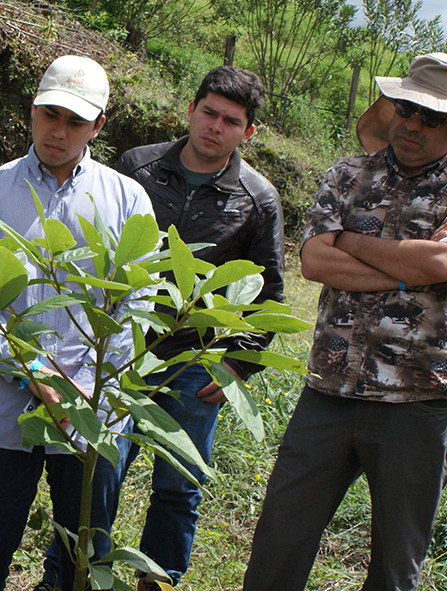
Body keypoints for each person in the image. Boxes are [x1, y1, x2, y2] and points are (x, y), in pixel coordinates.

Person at [243, 52, 447, 591]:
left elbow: (445, 263)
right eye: (407, 108)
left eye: (431, 117)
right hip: (329, 390)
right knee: (278, 542)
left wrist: (350, 243)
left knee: (394, 565)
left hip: (418, 399)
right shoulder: (348, 173)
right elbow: (313, 260)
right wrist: (408, 269)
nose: (412, 123)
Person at [38, 66, 284, 591]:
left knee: (179, 483)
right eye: (209, 113)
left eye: (231, 121)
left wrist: (240, 364)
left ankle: (159, 582)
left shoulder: (257, 198)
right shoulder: (138, 166)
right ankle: (71, 577)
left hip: (196, 360)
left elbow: (268, 293)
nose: (215, 127)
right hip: (125, 346)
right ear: (191, 110)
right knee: (98, 470)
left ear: (248, 132)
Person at [0, 55, 154, 591]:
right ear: (32, 110)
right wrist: (36, 374)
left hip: (91, 411)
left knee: (80, 560)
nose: (58, 132)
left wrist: (82, 387)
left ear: (98, 126)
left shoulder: (127, 200)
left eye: (75, 122)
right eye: (49, 114)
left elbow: (137, 302)